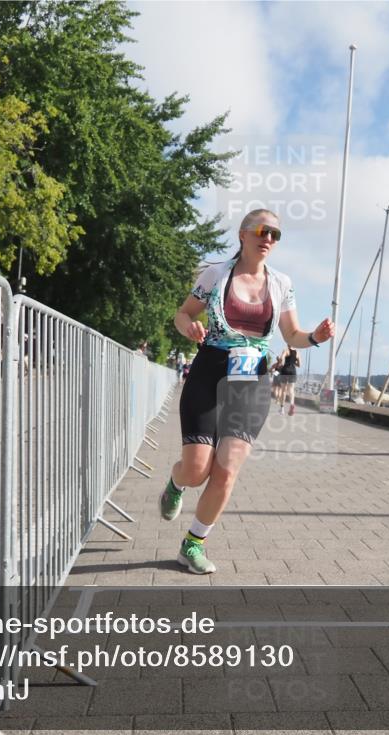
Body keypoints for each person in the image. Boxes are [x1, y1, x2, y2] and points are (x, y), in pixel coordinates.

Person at [158, 208, 335, 574]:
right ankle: (177, 483)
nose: (268, 239)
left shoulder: (281, 283)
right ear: (243, 234)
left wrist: (315, 338)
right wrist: (189, 326)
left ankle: (192, 544)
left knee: (226, 468)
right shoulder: (216, 274)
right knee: (197, 470)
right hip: (209, 373)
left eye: (275, 235)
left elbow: (292, 335)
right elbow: (182, 313)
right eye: (262, 231)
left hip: (251, 380)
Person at [276, 346, 300, 415]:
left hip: (285, 371)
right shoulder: (297, 352)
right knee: (291, 390)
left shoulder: (286, 350)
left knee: (283, 390)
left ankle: (282, 409)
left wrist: (279, 359)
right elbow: (299, 365)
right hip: (293, 371)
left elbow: (282, 362)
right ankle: (292, 404)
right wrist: (293, 362)